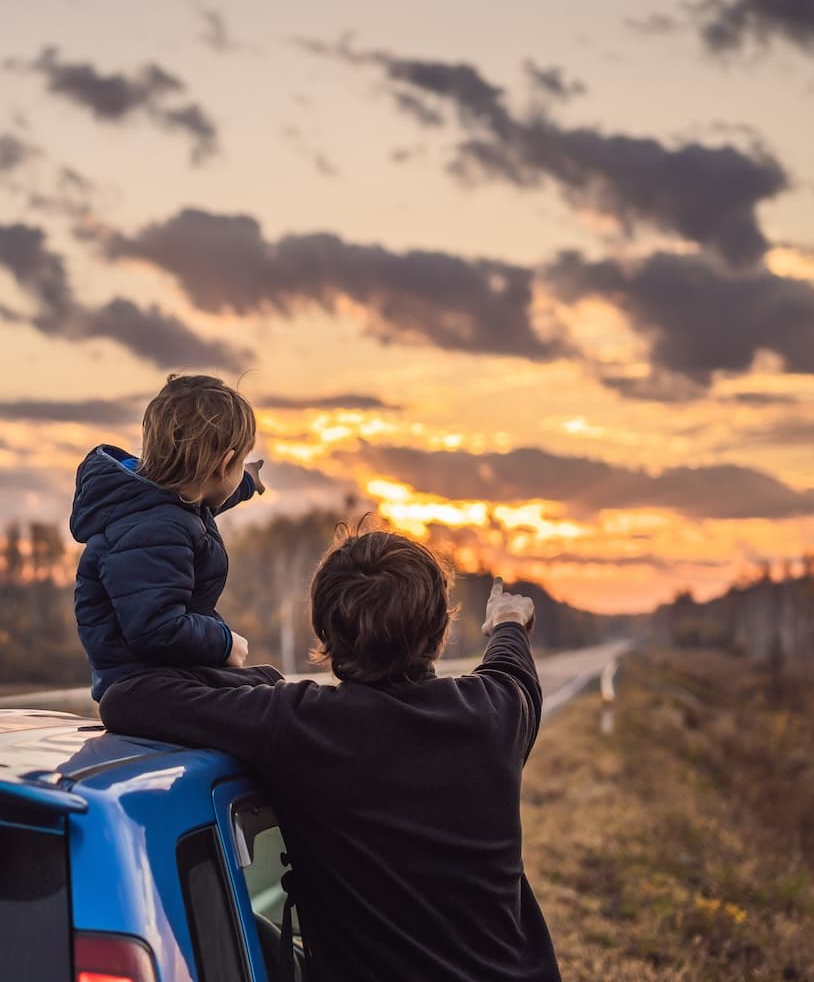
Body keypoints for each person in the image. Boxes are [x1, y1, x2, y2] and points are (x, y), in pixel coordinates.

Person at [98, 528, 561, 981]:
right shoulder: (493, 710)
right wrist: (507, 621)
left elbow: (128, 698)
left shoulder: (298, 722)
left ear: (325, 630)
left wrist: (262, 684)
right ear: (440, 629)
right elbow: (512, 668)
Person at [70, 373, 266, 702]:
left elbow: (207, 500)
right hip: (141, 690)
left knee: (268, 684)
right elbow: (156, 628)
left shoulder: (161, 506)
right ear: (224, 463)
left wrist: (246, 482)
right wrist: (224, 642)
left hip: (161, 675)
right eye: (240, 463)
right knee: (269, 702)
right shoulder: (157, 528)